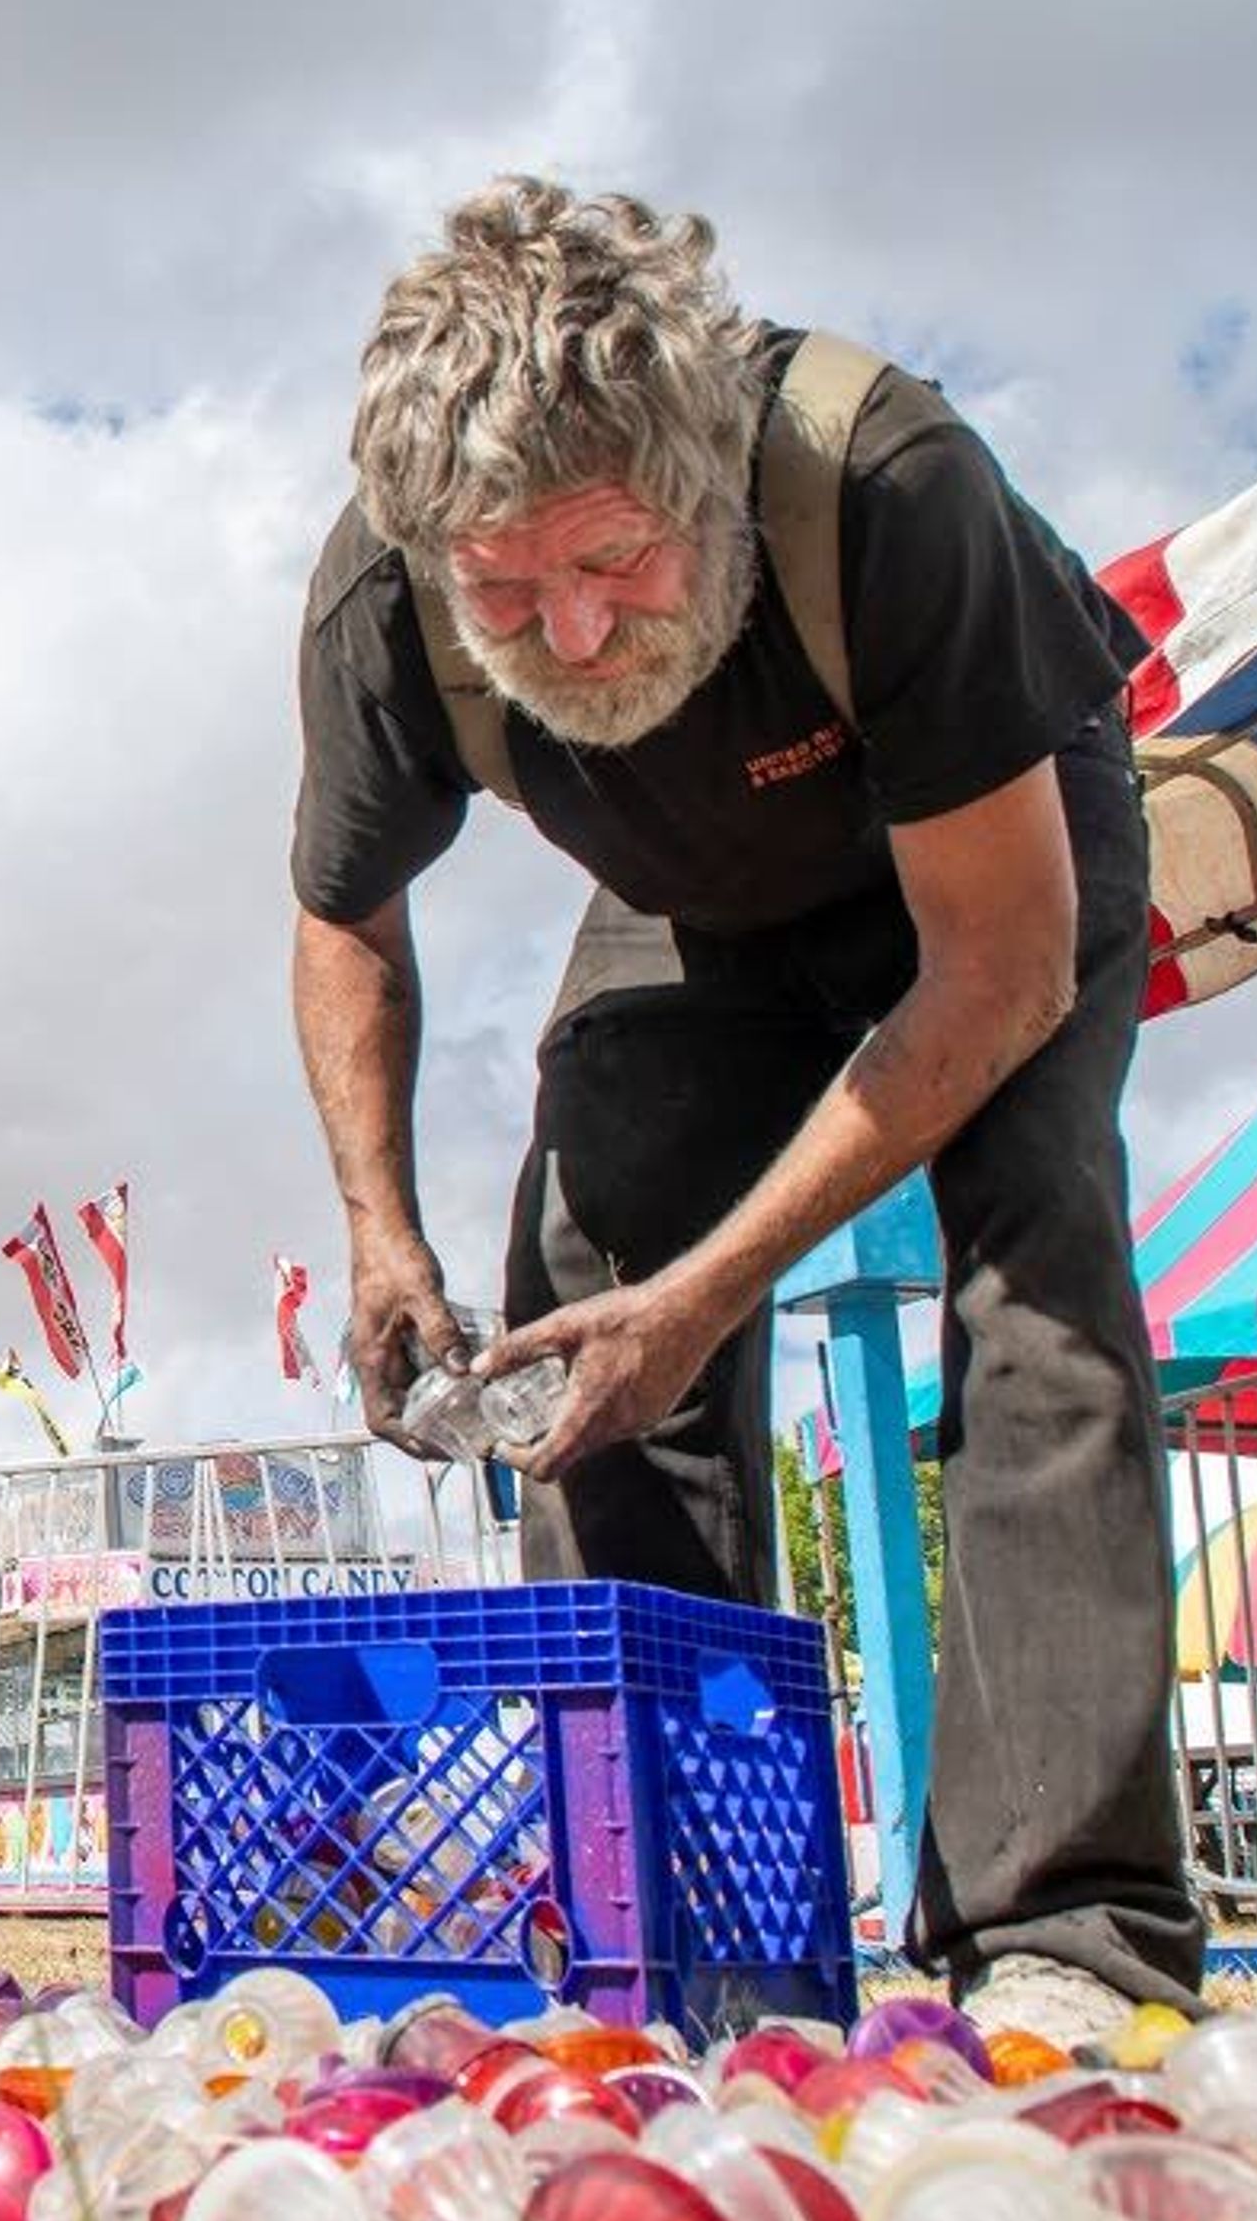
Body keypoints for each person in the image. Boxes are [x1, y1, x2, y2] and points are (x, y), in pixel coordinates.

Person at [287, 176, 1199, 2044]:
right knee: (581, 1286)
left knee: (1038, 1286)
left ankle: (1067, 1936)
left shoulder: (883, 482)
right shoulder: (385, 599)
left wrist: (712, 1289)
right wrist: (380, 1225)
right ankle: (677, 1918)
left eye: (611, 558)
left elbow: (995, 974)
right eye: (505, 588)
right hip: (700, 897)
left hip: (985, 856)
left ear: (699, 471)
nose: (574, 632)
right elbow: (344, 913)